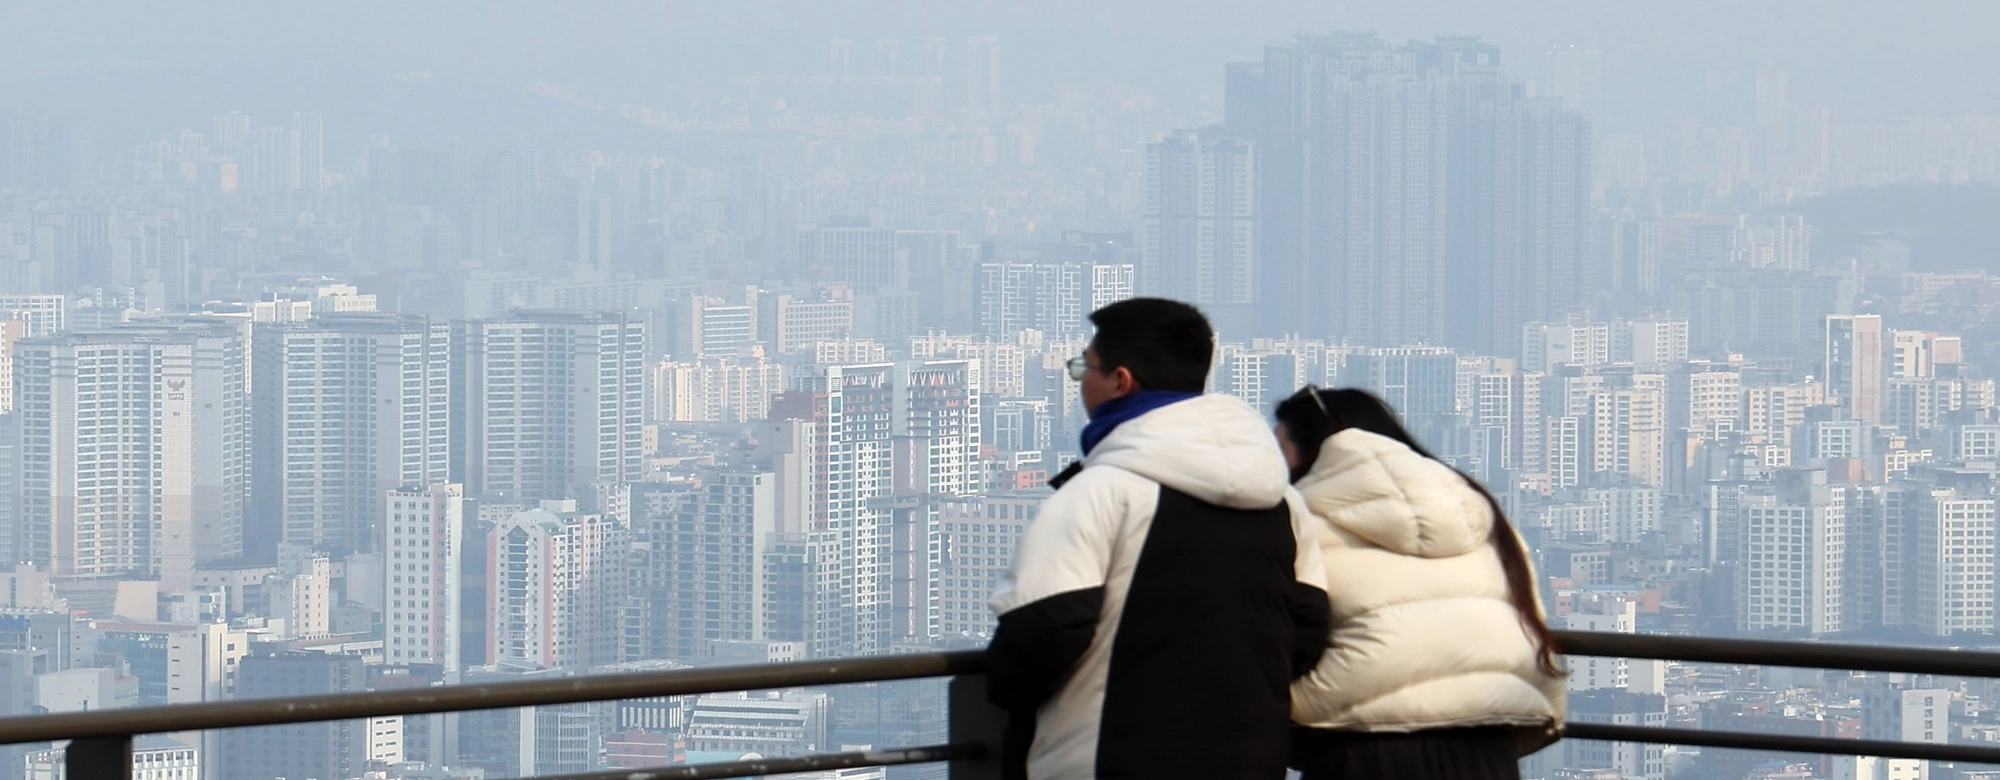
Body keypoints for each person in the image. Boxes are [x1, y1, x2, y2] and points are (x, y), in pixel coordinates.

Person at [986, 298, 1332, 780]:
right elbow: (1308, 631)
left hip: (1112, 760)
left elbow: (1040, 634)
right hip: (1251, 759)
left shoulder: (1099, 493)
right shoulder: (1284, 503)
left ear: (1120, 381)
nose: (1080, 381)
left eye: (1084, 368)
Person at [1274, 387, 1565, 780]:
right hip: (1486, 742)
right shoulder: (1479, 511)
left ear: (1317, 451)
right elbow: (1529, 619)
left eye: (1282, 449)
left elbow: (1285, 630)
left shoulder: (1298, 521)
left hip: (1359, 747)